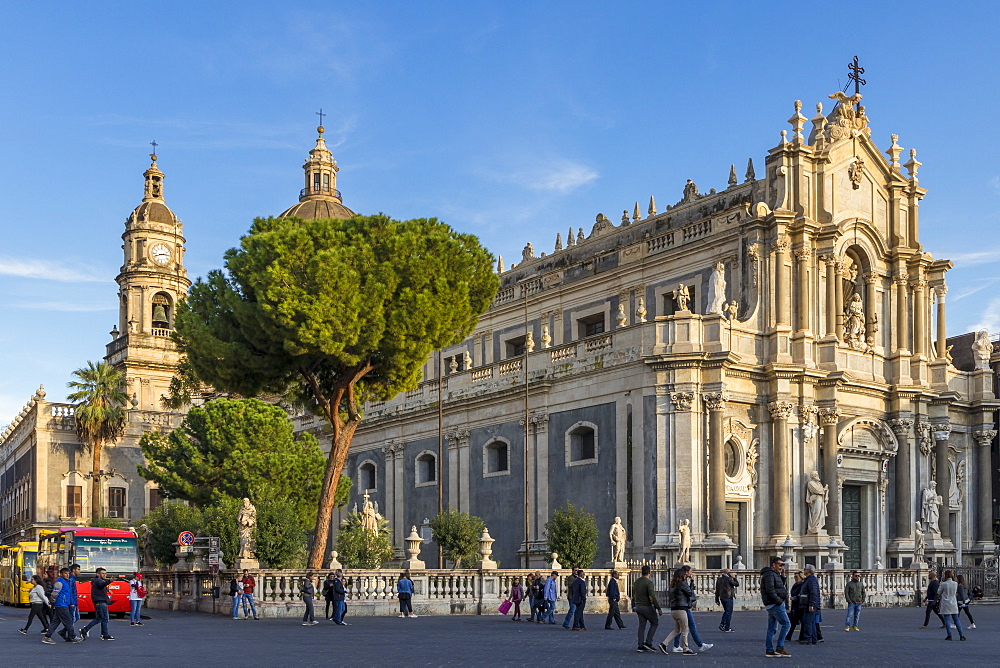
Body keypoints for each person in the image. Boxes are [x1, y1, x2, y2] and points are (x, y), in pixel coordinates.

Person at [670, 566, 713, 653]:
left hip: (681, 606)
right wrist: (692, 582)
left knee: (680, 628)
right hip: (684, 607)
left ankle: (676, 645)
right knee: (690, 626)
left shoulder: (679, 582)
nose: (691, 573)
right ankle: (699, 645)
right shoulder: (682, 582)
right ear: (686, 572)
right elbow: (689, 593)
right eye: (690, 571)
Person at [657, 567, 697, 655]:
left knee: (677, 630)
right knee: (685, 630)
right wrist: (692, 582)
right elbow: (690, 593)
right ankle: (685, 649)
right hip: (681, 609)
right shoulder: (682, 584)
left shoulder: (673, 585)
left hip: (674, 610)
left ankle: (664, 644)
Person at [761, 556, 792, 658]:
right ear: (773, 565)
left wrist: (782, 576)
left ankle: (769, 650)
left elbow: (779, 586)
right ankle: (780, 647)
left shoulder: (774, 574)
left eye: (783, 565)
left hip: (772, 604)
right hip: (775, 604)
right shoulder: (769, 574)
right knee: (786, 624)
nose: (782, 567)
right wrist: (779, 602)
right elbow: (770, 590)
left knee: (772, 628)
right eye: (780, 565)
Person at [42, 567, 81, 644]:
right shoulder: (59, 582)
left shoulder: (65, 582)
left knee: (55, 622)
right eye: (65, 573)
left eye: (68, 573)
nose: (67, 575)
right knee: (68, 621)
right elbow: (54, 593)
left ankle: (47, 636)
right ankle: (73, 636)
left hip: (63, 604)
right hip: (61, 604)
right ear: (61, 574)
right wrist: (52, 602)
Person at [78, 567, 114, 641]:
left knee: (99, 618)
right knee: (105, 618)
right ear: (97, 574)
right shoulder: (98, 581)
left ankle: (84, 630)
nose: (104, 575)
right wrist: (109, 581)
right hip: (100, 602)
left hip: (99, 602)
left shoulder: (97, 581)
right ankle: (105, 634)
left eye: (105, 573)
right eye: (102, 573)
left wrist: (107, 589)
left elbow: (100, 587)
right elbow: (101, 585)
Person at [633, 564, 662, 653]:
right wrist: (658, 607)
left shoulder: (636, 582)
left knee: (642, 625)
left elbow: (634, 594)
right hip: (646, 606)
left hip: (638, 606)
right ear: (649, 572)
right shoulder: (648, 582)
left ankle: (640, 645)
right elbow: (651, 596)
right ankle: (648, 642)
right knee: (654, 623)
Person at [937, 570, 965, 640]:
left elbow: (939, 592)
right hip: (953, 602)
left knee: (947, 619)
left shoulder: (944, 584)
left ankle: (949, 635)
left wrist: (941, 583)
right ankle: (961, 635)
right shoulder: (955, 583)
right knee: (956, 619)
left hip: (946, 602)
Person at [798, 565, 821, 644]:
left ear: (808, 571)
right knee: (811, 621)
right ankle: (813, 639)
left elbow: (813, 592)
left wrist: (811, 604)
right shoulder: (808, 579)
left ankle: (808, 638)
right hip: (807, 603)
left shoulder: (811, 580)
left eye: (805, 569)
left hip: (809, 604)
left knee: (807, 621)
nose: (803, 570)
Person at [715, 568, 738, 632]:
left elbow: (717, 590)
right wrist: (734, 578)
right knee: (729, 613)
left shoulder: (719, 580)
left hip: (722, 597)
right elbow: (736, 584)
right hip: (729, 597)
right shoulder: (729, 579)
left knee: (726, 612)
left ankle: (722, 624)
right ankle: (727, 627)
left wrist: (716, 599)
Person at [786, 572, 804, 641]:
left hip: (799, 605)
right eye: (795, 577)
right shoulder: (795, 585)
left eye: (796, 577)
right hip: (794, 606)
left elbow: (802, 595)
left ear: (801, 577)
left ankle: (801, 637)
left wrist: (796, 598)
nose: (795, 578)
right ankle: (788, 636)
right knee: (792, 622)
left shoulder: (802, 585)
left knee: (799, 622)